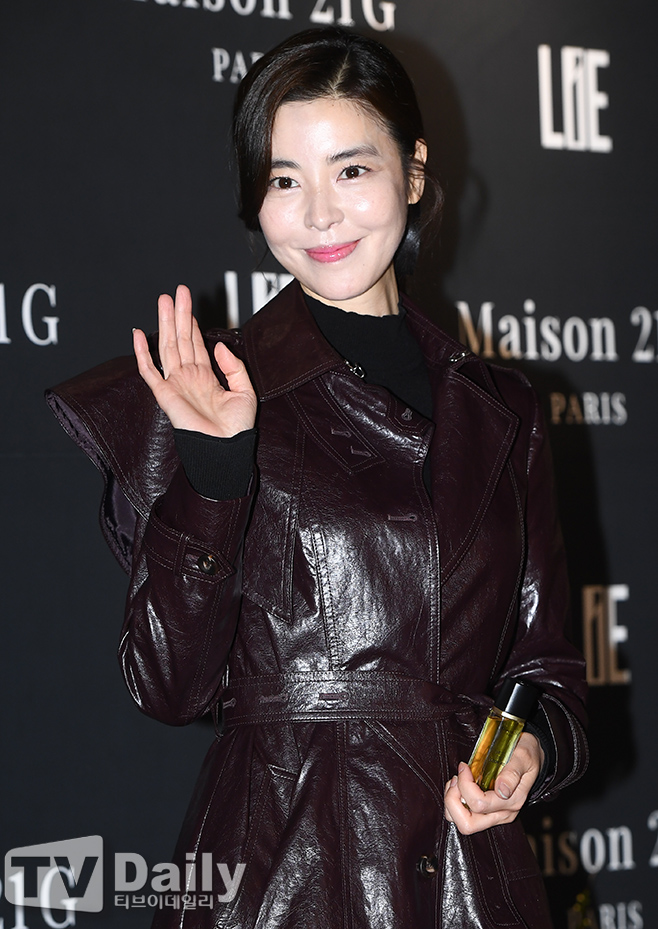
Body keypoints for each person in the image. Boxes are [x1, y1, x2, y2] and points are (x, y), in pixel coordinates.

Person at [47, 27, 587, 929]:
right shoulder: (207, 384)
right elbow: (168, 687)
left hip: (466, 882)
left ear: (412, 173)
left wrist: (527, 749)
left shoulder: (505, 409)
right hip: (280, 878)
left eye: (352, 170)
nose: (320, 216)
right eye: (285, 181)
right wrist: (215, 475)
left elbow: (548, 671)